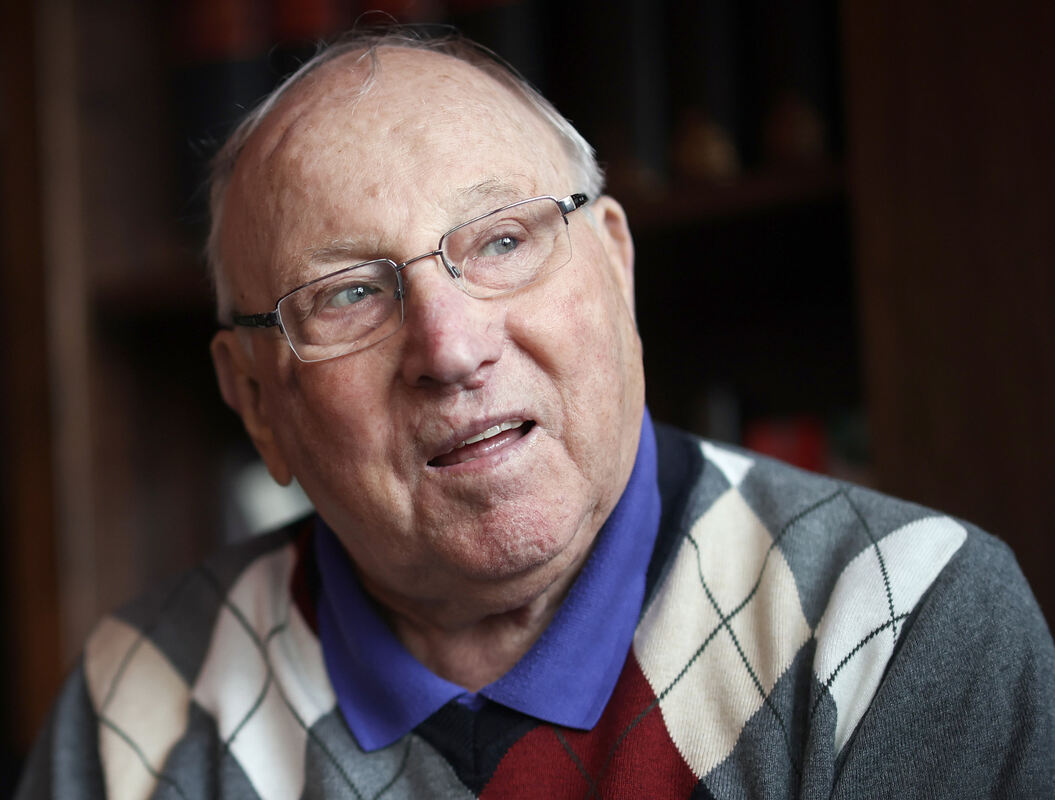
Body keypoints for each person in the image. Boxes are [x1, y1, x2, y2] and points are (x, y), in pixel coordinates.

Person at [16, 29, 1055, 800]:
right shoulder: (138, 708)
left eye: (503, 241)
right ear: (255, 398)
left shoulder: (896, 617)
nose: (450, 348)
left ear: (614, 263)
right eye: (349, 293)